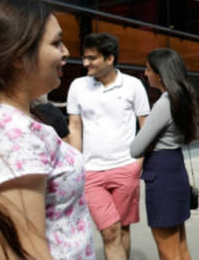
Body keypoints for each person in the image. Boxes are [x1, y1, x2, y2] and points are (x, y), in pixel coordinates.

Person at [0, 0, 94, 259]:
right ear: (18, 56)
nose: (66, 52)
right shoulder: (11, 134)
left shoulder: (21, 121)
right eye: (56, 43)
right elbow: (26, 249)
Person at [67, 33, 150, 260]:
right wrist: (78, 164)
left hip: (126, 168)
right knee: (109, 230)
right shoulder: (78, 86)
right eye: (84, 58)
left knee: (123, 228)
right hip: (91, 171)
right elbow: (75, 127)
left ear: (110, 58)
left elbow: (146, 127)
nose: (85, 63)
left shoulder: (133, 86)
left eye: (92, 58)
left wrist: (138, 164)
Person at [130, 48, 198, 260]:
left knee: (167, 251)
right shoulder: (182, 98)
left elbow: (135, 148)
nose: (145, 73)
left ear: (160, 74)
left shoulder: (164, 103)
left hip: (162, 176)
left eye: (148, 69)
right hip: (175, 169)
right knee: (181, 246)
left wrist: (149, 142)